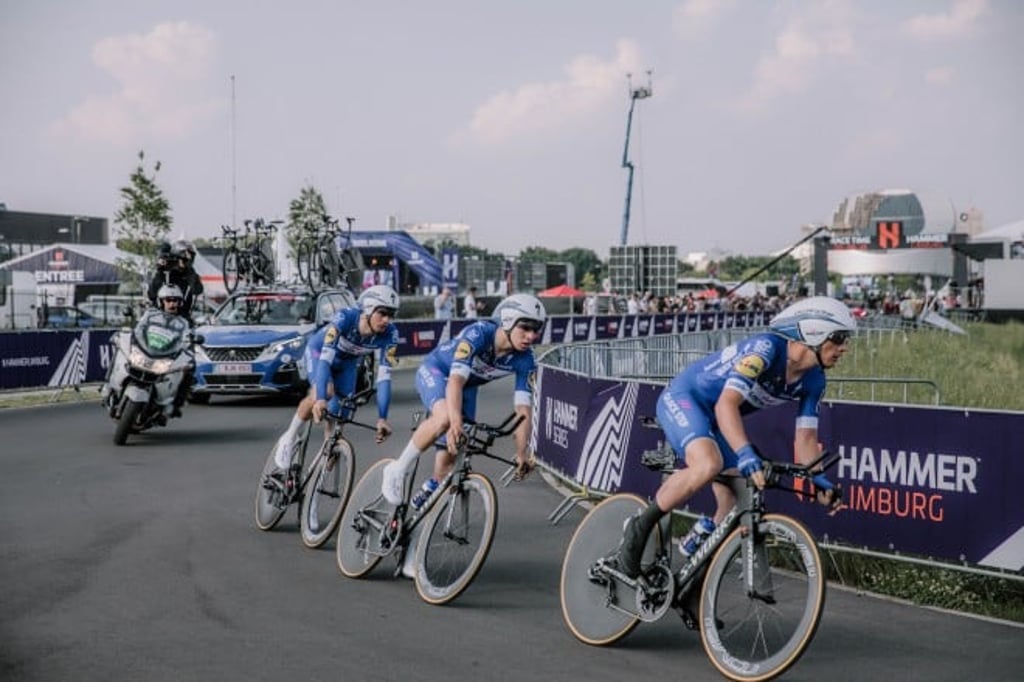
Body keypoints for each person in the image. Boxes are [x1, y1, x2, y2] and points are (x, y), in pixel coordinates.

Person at [616, 296, 855, 580]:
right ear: (814, 331)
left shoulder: (815, 381)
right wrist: (744, 453)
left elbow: (805, 438)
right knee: (708, 464)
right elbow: (726, 404)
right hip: (686, 399)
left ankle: (695, 570)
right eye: (838, 338)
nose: (843, 348)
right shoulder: (765, 349)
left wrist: (817, 478)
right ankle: (639, 528)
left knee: (738, 495)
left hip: (718, 419)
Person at [380, 293, 546, 509]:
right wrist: (456, 423)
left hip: (467, 387)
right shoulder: (479, 333)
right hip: (438, 372)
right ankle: (397, 468)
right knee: (445, 420)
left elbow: (523, 409)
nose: (531, 336)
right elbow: (455, 381)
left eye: (536, 330)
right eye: (525, 327)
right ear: (507, 321)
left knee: (450, 455)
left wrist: (522, 453)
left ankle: (431, 489)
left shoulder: (525, 359)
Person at [270, 285, 401, 471]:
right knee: (324, 393)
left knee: (342, 413)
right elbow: (324, 361)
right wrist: (321, 398)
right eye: (383, 313)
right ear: (368, 310)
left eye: (391, 315)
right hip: (319, 354)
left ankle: (321, 470)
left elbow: (384, 378)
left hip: (347, 364)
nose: (387, 320)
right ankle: (289, 437)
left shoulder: (391, 334)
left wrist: (382, 418)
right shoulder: (345, 318)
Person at [147, 240, 203, 324]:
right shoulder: (165, 273)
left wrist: (189, 271)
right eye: (184, 258)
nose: (187, 261)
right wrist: (160, 271)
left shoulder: (190, 274)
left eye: (190, 258)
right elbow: (152, 294)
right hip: (161, 317)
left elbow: (198, 290)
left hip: (182, 319)